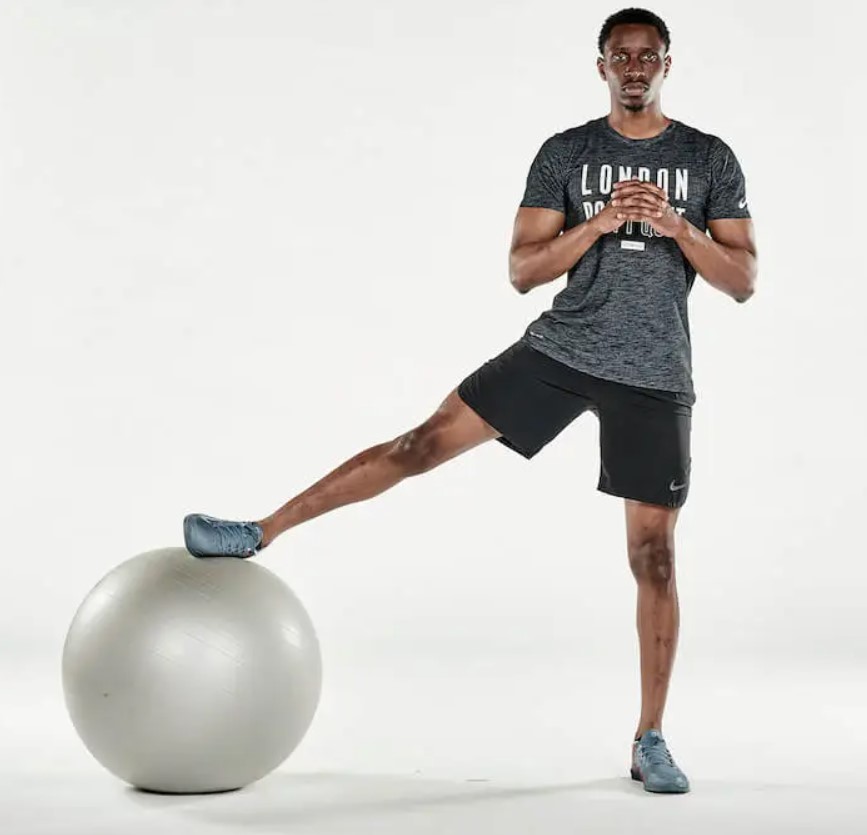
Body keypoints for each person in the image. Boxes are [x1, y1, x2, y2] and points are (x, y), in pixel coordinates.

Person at [183, 7, 758, 795]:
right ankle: (259, 529)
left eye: (646, 56)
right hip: (562, 350)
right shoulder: (566, 152)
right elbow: (523, 271)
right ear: (600, 67)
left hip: (654, 371)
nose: (633, 68)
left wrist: (672, 224)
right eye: (618, 56)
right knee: (417, 445)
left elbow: (741, 280)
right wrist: (597, 224)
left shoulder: (705, 157)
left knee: (653, 557)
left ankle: (648, 737)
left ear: (666, 63)